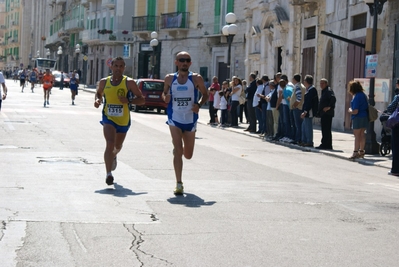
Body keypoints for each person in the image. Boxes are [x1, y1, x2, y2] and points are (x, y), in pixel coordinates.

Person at [162, 51, 208, 195]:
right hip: (174, 118)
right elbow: (164, 94)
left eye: (187, 60)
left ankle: (179, 151)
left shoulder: (196, 79)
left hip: (190, 119)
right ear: (176, 62)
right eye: (181, 60)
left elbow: (205, 94)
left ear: (190, 63)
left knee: (188, 155)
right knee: (178, 149)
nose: (184, 62)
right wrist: (166, 98)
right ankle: (179, 183)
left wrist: (199, 105)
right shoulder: (170, 79)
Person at [94, 56, 144, 185]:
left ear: (124, 68)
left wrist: (129, 100)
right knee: (110, 143)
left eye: (121, 66)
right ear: (111, 67)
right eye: (116, 66)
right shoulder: (104, 82)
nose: (118, 68)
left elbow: (141, 99)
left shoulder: (129, 82)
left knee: (117, 146)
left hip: (123, 119)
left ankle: (114, 155)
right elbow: (99, 93)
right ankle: (108, 174)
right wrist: (98, 100)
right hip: (108, 117)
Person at [347, 80, 369, 160]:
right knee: (362, 134)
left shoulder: (356, 96)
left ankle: (355, 152)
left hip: (358, 117)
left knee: (357, 135)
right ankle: (362, 151)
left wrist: (350, 110)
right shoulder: (363, 95)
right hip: (364, 116)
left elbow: (355, 111)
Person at [316, 78, 336, 150]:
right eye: (320, 83)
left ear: (326, 84)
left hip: (327, 113)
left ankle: (326, 144)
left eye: (323, 83)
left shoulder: (328, 90)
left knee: (326, 129)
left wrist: (329, 107)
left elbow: (333, 98)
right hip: (323, 114)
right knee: (324, 129)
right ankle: (325, 144)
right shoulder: (324, 91)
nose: (321, 85)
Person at [300, 75, 318, 147]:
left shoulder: (312, 90)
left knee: (308, 127)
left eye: (304, 80)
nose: (304, 82)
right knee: (304, 126)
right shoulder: (308, 89)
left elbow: (309, 102)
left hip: (309, 111)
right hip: (306, 110)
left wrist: (305, 111)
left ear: (307, 81)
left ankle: (309, 141)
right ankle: (304, 141)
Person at [387, 79, 399, 176]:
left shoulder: (398, 97)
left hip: (397, 124)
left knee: (396, 146)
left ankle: (395, 169)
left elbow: (390, 108)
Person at [290, 74, 306, 145]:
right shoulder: (302, 86)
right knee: (299, 125)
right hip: (300, 107)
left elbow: (299, 98)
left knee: (297, 125)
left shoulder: (298, 87)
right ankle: (299, 139)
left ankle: (298, 139)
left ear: (294, 79)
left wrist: (294, 105)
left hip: (297, 108)